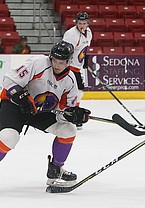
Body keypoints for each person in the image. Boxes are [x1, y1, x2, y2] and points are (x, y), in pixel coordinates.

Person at [0, 40, 91, 188]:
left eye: (61, 62)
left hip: (39, 111)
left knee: (68, 130)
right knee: (9, 138)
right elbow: (9, 80)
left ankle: (56, 169)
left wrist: (71, 115)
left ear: (68, 62)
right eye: (54, 60)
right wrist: (21, 97)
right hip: (15, 106)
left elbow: (63, 111)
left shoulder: (70, 81)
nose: (57, 65)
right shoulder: (38, 63)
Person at [63, 12, 92, 130]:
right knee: (74, 93)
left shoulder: (89, 32)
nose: (82, 25)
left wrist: (85, 60)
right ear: (76, 23)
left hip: (77, 68)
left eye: (84, 23)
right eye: (80, 23)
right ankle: (72, 116)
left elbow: (85, 49)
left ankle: (74, 115)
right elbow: (65, 52)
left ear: (87, 23)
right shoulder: (71, 34)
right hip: (69, 68)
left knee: (78, 93)